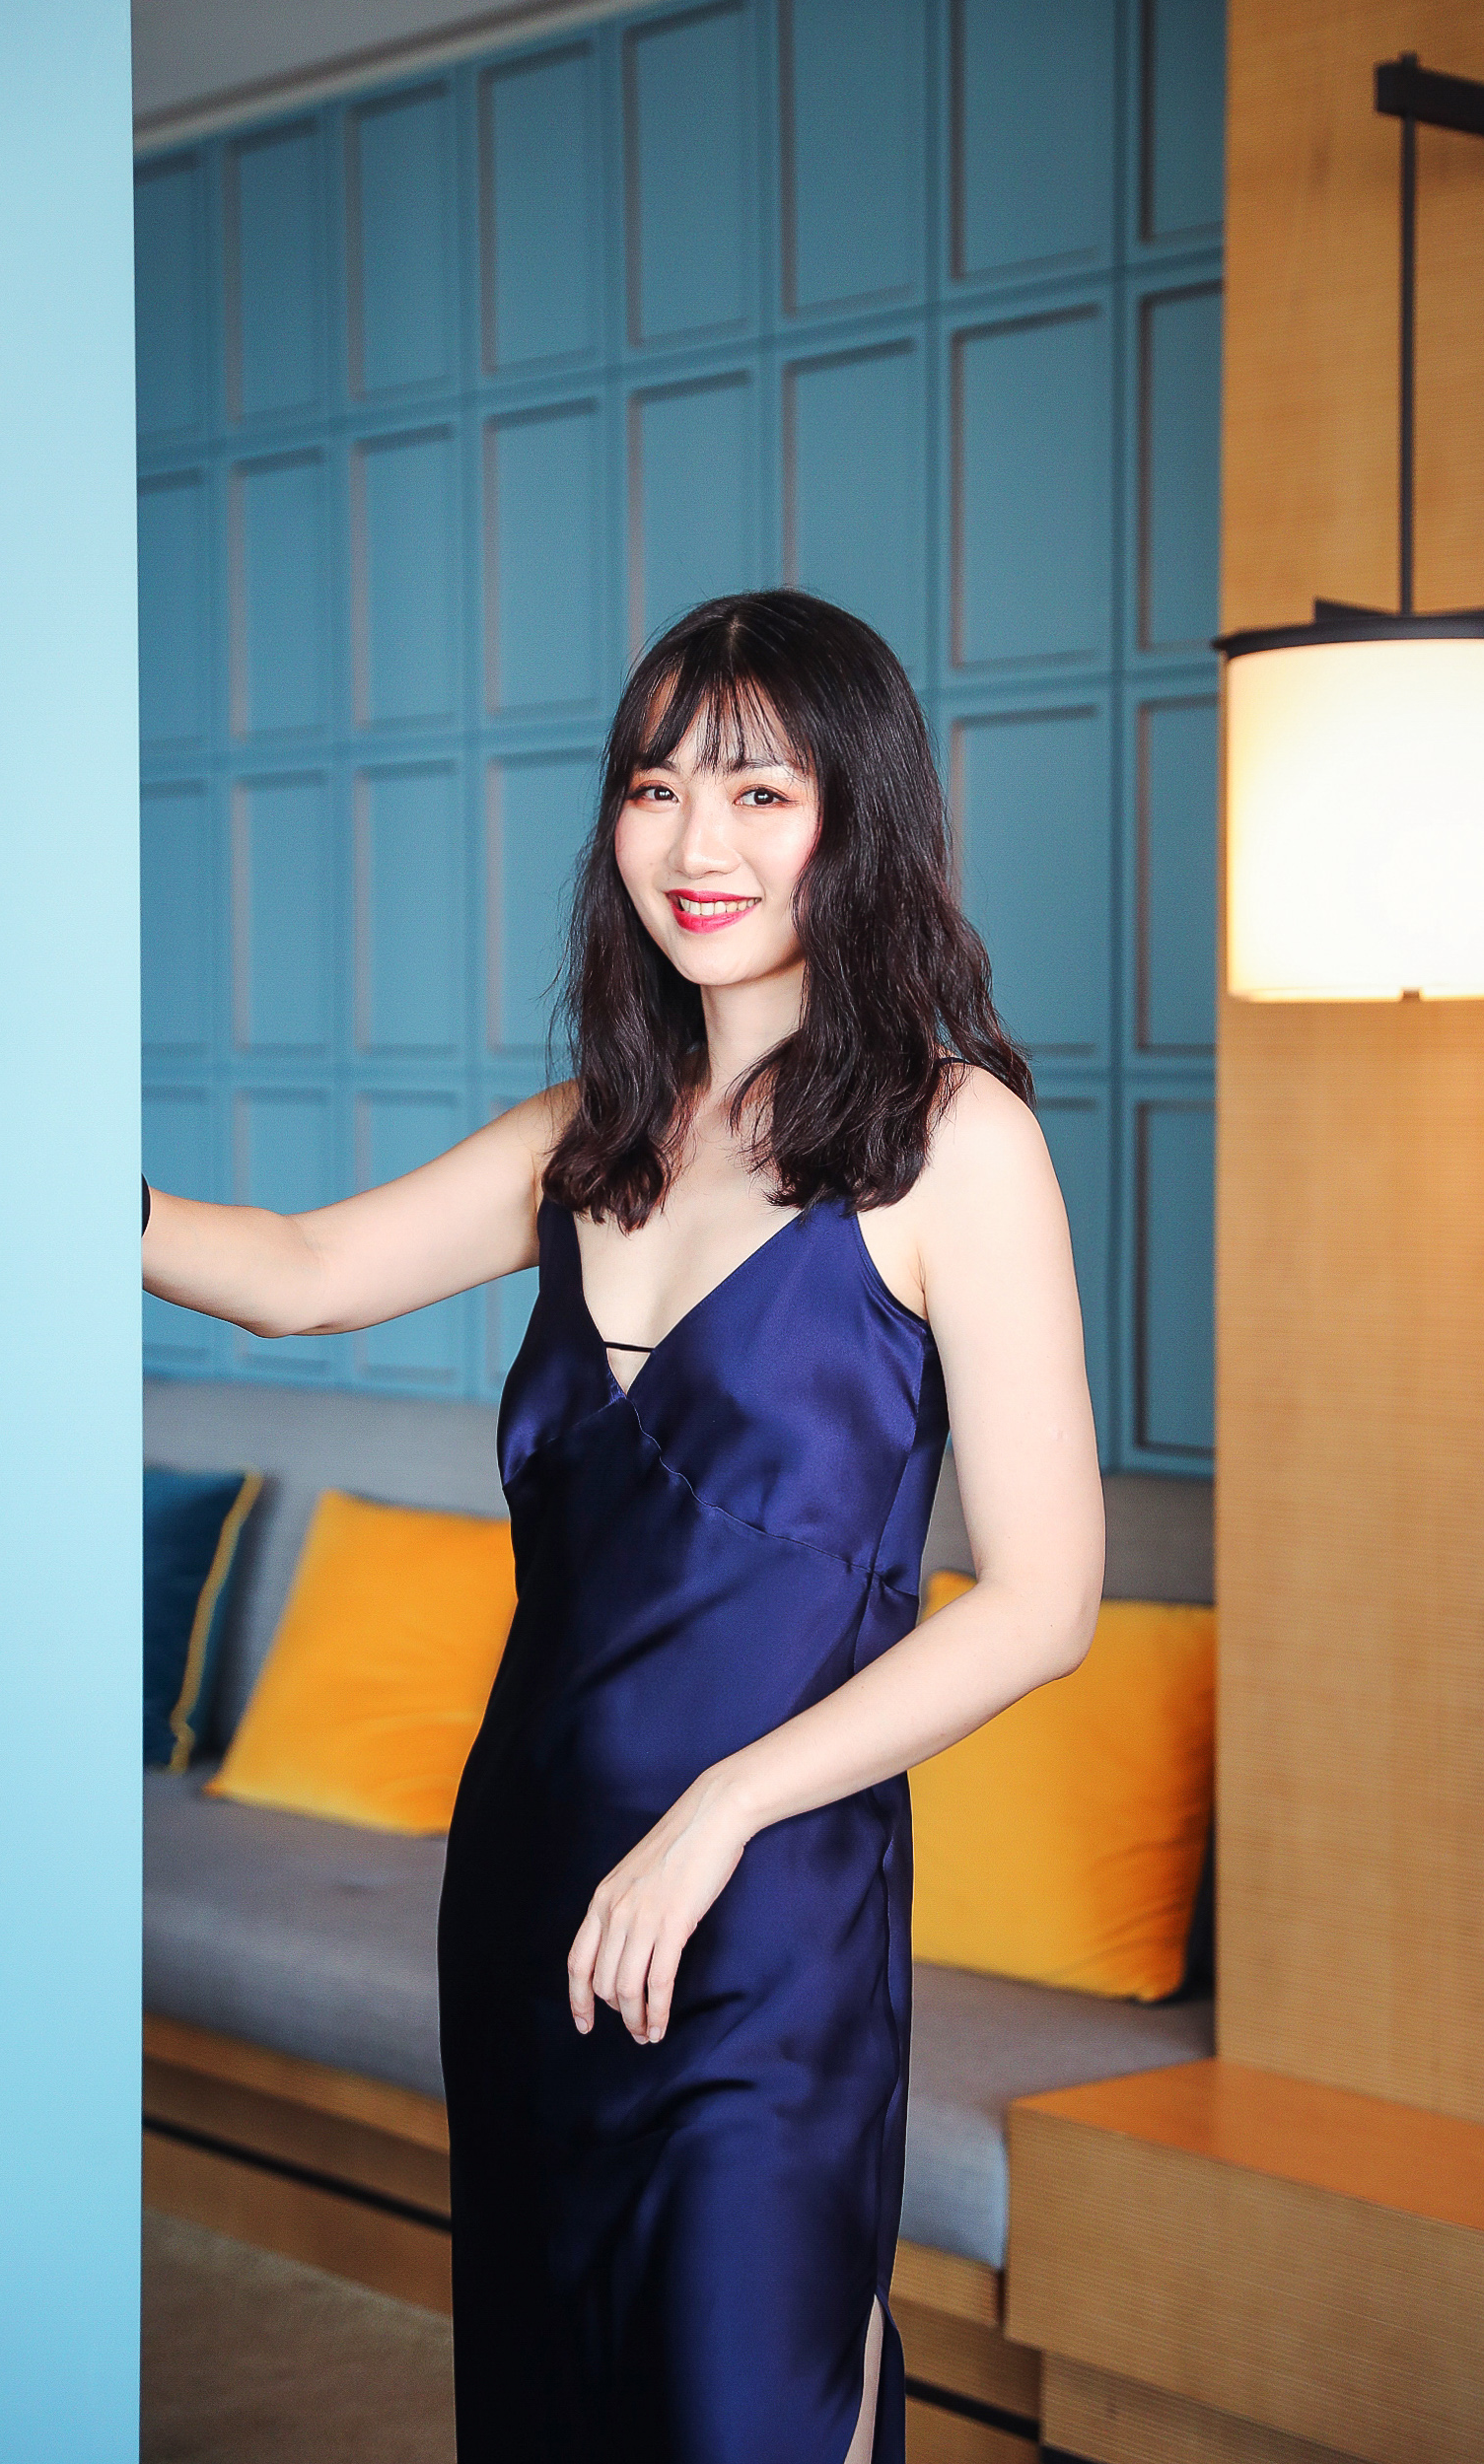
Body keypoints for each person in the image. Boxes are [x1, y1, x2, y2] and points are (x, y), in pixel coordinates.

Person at [142, 591, 1103, 2464]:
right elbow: (300, 1273)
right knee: (553, 2407)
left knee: (751, 2406)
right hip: (529, 1884)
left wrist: (724, 1812)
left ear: (860, 817)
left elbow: (1045, 1599)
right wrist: (61, 1170)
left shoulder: (955, 1144)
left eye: (759, 793)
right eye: (655, 790)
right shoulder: (587, 1131)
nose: (694, 844)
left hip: (764, 1913)